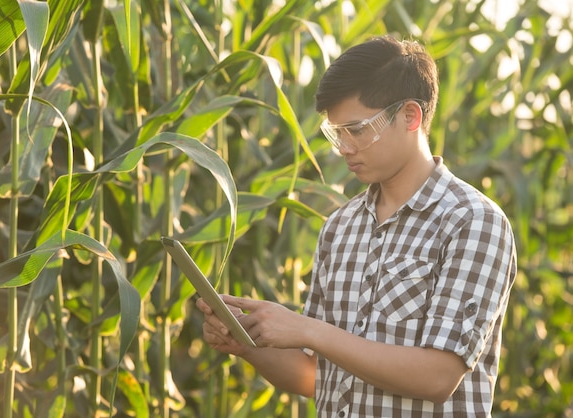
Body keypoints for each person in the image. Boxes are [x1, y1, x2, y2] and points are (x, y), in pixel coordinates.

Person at [197, 35, 517, 417]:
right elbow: (317, 376)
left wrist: (307, 330)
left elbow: (438, 377)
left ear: (410, 116)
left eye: (358, 130)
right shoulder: (340, 227)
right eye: (336, 133)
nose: (344, 148)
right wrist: (247, 343)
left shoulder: (472, 222)